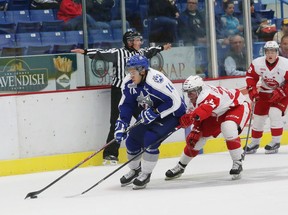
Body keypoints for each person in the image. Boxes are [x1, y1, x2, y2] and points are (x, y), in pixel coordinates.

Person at [71, 31, 172, 165]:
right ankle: (110, 154)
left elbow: (151, 51)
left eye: (139, 40)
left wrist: (162, 48)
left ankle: (145, 146)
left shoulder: (141, 53)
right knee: (118, 121)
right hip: (120, 91)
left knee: (144, 118)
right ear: (129, 42)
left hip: (138, 91)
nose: (139, 42)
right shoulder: (118, 53)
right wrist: (84, 51)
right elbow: (102, 53)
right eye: (136, 40)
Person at [115, 55, 186, 189]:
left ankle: (146, 174)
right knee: (132, 139)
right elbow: (126, 105)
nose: (130, 75)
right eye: (129, 71)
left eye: (133, 72)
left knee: (150, 139)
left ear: (142, 71)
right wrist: (122, 123)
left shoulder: (156, 81)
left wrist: (156, 112)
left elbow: (175, 102)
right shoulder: (128, 82)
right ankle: (135, 170)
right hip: (151, 112)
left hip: (172, 114)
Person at [165, 75, 251, 180]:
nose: (189, 95)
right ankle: (180, 166)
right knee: (195, 140)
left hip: (235, 107)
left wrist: (191, 117)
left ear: (199, 89)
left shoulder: (209, 95)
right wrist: (196, 129)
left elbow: (205, 110)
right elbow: (199, 116)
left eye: (191, 92)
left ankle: (237, 162)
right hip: (215, 113)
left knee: (228, 127)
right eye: (187, 92)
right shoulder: (194, 100)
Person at [244, 41, 288, 154]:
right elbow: (251, 77)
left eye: (273, 51)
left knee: (274, 113)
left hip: (281, 93)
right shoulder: (257, 63)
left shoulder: (285, 64)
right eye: (268, 51)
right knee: (258, 117)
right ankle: (254, 142)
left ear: (277, 52)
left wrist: (281, 91)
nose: (270, 54)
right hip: (264, 92)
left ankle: (275, 142)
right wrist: (252, 90)